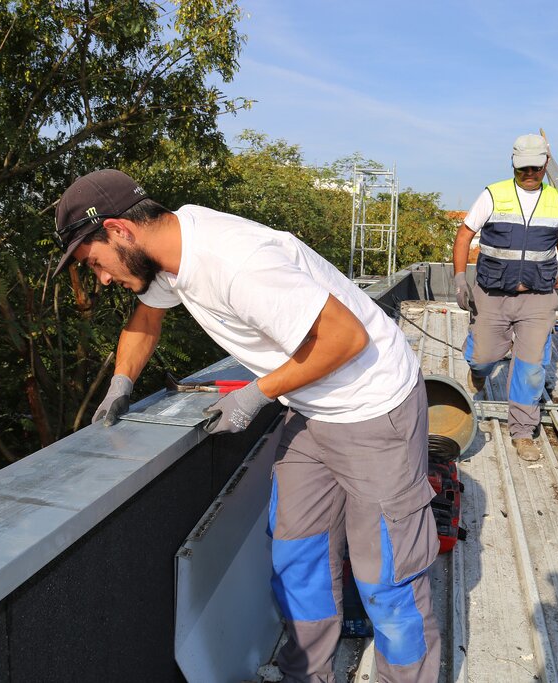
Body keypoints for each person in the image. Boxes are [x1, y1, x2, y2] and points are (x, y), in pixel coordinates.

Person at [52, 169, 440, 682]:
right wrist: (121, 383)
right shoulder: (170, 255)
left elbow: (346, 340)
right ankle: (307, 674)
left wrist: (259, 392)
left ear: (121, 229)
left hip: (373, 407)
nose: (101, 278)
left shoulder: (237, 263)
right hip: (315, 409)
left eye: (95, 262)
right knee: (296, 555)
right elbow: (145, 321)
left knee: (387, 577)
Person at [452, 134, 558, 461]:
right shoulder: (493, 194)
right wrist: (458, 278)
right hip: (493, 294)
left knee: (532, 367)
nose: (529, 173)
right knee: (483, 356)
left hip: (538, 298)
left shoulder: (557, 201)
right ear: (513, 163)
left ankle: (523, 432)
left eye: (535, 168)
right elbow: (465, 234)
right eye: (523, 167)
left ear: (546, 165)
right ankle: (479, 370)